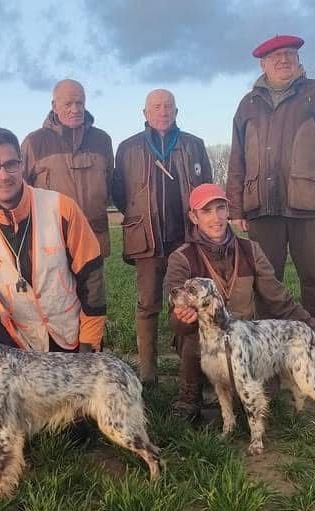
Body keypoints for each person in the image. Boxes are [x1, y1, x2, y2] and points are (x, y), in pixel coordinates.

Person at [164, 183, 315, 420]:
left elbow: (282, 302)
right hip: (201, 343)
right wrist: (184, 319)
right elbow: (174, 321)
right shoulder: (182, 258)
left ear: (228, 210)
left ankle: (239, 388)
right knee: (192, 335)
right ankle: (190, 397)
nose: (216, 218)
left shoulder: (250, 250)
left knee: (259, 400)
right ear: (193, 217)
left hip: (246, 345)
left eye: (220, 208)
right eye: (206, 211)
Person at [226, 34, 315, 330]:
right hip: (262, 209)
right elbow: (237, 159)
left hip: (310, 206)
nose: (283, 59)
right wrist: (236, 208)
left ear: (298, 59)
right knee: (266, 283)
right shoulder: (248, 104)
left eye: (289, 54)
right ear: (263, 64)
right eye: (275, 56)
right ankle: (271, 350)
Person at [0, 127, 106, 354]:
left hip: (70, 335)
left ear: (22, 163)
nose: (4, 176)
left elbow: (92, 279)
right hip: (17, 341)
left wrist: (89, 343)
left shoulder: (62, 207)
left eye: (11, 164)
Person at [111, 89, 213, 384]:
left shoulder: (194, 145)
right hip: (147, 241)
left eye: (168, 106)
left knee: (191, 303)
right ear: (145, 113)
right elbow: (120, 193)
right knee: (147, 305)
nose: (163, 111)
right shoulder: (128, 148)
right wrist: (141, 216)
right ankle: (147, 372)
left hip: (187, 241)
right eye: (156, 106)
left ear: (176, 111)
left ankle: (192, 367)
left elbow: (205, 191)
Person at [21, 79, 114, 258]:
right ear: (54, 106)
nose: (75, 109)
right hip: (50, 242)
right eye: (68, 104)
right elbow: (21, 190)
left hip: (94, 238)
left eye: (80, 103)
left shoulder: (103, 140)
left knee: (93, 286)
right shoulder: (34, 142)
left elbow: (109, 184)